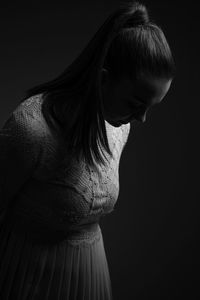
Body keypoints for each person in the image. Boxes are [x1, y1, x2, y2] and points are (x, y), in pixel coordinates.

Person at [0, 1, 175, 299]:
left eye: (149, 108)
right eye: (135, 104)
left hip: (89, 275)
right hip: (26, 275)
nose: (141, 119)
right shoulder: (31, 129)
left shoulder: (120, 125)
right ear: (103, 79)